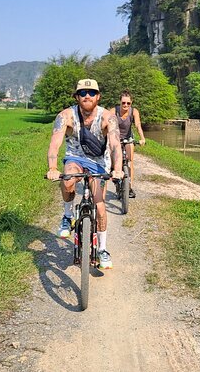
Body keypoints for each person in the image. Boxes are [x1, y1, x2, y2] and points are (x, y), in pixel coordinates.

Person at [46, 79, 123, 269]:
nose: (87, 96)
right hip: (75, 158)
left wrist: (118, 168)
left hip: (99, 162)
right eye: (82, 93)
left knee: (101, 207)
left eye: (91, 92)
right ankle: (67, 215)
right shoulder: (66, 116)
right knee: (68, 180)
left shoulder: (107, 117)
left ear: (98, 96)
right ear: (76, 97)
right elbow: (55, 143)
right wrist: (53, 168)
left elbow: (114, 145)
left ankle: (103, 249)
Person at [109, 89, 146, 198]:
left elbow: (138, 125)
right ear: (120, 102)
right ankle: (114, 170)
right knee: (113, 156)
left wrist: (142, 138)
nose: (126, 105)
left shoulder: (134, 111)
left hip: (128, 137)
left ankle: (129, 187)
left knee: (129, 161)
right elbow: (107, 125)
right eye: (123, 103)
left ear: (131, 103)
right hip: (115, 137)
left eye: (128, 103)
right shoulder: (113, 111)